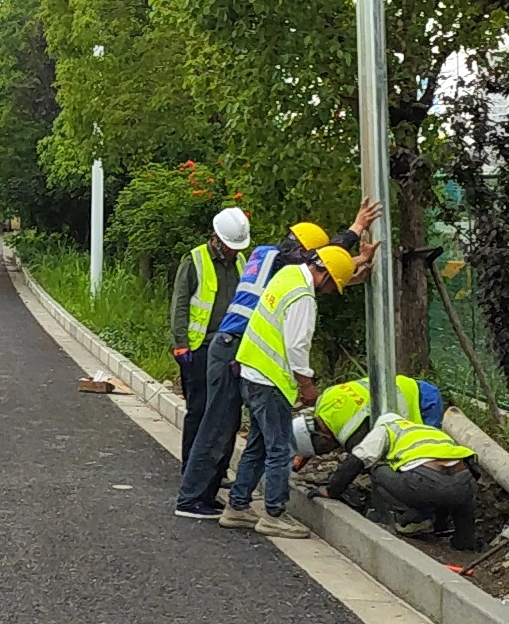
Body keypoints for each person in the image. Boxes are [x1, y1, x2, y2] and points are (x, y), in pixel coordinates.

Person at [174, 200, 380, 519]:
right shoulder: (283, 266)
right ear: (301, 251)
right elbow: (321, 265)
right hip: (231, 349)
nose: (315, 259)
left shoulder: (264, 255)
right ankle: (191, 498)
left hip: (232, 347)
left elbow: (323, 267)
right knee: (217, 425)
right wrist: (353, 233)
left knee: (228, 426)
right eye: (312, 253)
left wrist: (351, 264)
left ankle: (212, 495)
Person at [218, 244, 356, 539]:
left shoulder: (289, 274)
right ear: (327, 277)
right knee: (281, 449)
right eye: (334, 286)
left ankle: (237, 506)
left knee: (258, 444)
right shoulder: (304, 298)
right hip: (271, 380)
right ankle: (274, 515)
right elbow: (296, 347)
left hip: (251, 371)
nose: (330, 292)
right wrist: (307, 385)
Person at [308, 414, 479, 550]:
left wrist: (331, 491)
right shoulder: (429, 431)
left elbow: (358, 459)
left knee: (378, 470)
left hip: (423, 481)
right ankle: (465, 540)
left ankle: (411, 520)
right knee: (460, 490)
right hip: (465, 481)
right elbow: (456, 475)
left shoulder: (387, 429)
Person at [170, 207, 250, 495]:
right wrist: (180, 344)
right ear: (215, 238)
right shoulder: (195, 260)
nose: (231, 252)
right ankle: (191, 468)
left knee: (228, 412)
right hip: (198, 347)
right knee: (200, 410)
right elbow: (180, 303)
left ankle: (218, 470)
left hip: (230, 347)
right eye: (228, 246)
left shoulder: (241, 262)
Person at [293, 373, 444, 463]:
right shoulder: (324, 400)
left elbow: (362, 459)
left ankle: (427, 514)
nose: (326, 453)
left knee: (424, 459)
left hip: (422, 405)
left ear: (322, 438)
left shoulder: (351, 435)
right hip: (406, 385)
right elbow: (309, 433)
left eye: (321, 449)